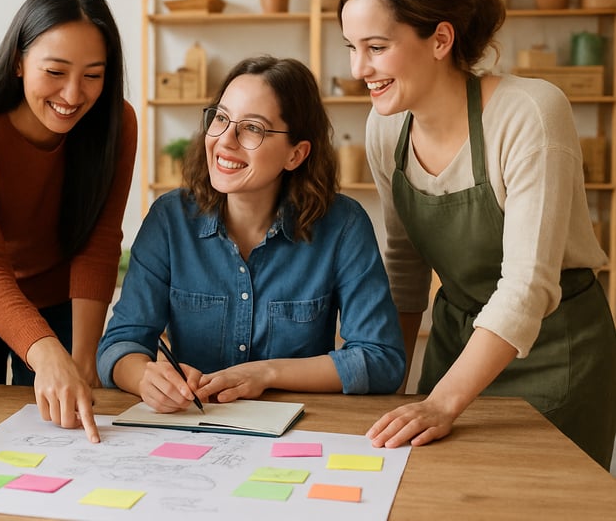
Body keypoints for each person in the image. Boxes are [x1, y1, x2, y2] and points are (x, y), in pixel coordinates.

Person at [339, 0, 616, 468]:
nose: (358, 69)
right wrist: (393, 386)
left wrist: (443, 401)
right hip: (454, 345)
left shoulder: (529, 112)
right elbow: (405, 267)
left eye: (375, 47)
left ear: (440, 38)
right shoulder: (384, 127)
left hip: (556, 351)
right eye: (351, 47)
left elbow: (527, 287)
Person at [97, 55, 405, 410]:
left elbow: (382, 360)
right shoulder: (170, 219)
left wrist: (267, 374)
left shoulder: (343, 225)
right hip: (190, 429)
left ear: (296, 154)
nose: (225, 141)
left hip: (300, 433)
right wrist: (144, 377)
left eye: (252, 128)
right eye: (222, 119)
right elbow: (118, 346)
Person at [0, 0, 136, 443]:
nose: (73, 94)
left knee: (58, 435)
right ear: (18, 61)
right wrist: (47, 355)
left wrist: (83, 358)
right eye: (55, 71)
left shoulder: (114, 123)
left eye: (93, 74)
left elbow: (100, 240)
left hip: (62, 302)